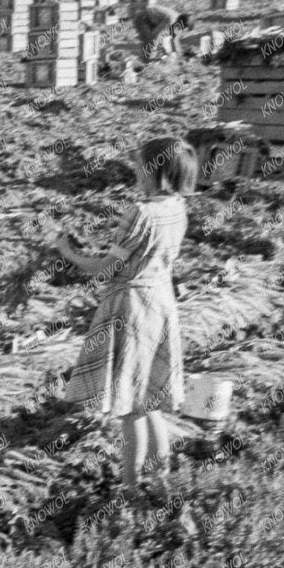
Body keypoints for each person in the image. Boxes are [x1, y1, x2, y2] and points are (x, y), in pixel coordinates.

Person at [60, 135, 195, 493]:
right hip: (161, 301)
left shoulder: (141, 212)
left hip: (132, 308)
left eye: (139, 164)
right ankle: (161, 480)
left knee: (131, 407)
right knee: (150, 401)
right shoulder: (178, 207)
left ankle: (132, 489)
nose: (135, 170)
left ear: (155, 169)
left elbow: (106, 268)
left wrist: (68, 252)